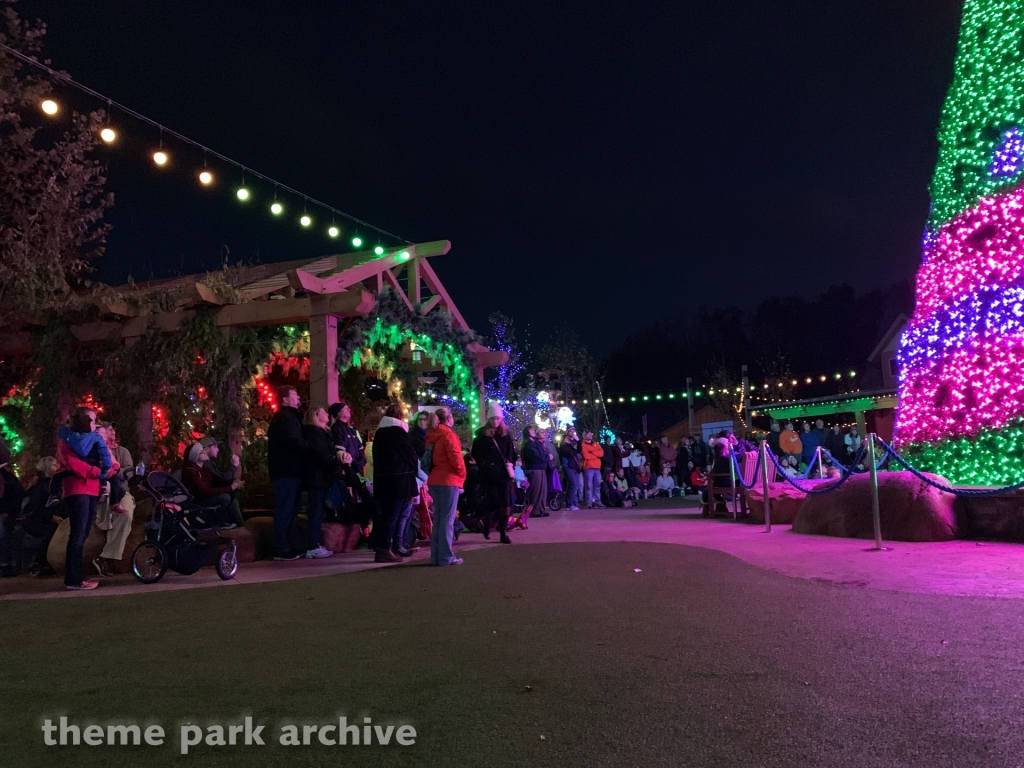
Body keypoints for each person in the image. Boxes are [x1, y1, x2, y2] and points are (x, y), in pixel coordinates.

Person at [57, 407, 114, 590]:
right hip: (77, 489)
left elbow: (108, 461)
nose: (95, 424)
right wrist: (97, 471)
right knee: (78, 534)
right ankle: (74, 579)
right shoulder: (67, 441)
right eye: (92, 420)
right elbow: (73, 464)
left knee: (82, 534)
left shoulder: (93, 440)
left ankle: (77, 576)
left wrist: (106, 470)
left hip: (90, 489)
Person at [373, 402, 421, 561]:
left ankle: (389, 547)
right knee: (393, 515)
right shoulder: (398, 432)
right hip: (399, 480)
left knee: (387, 515)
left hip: (384, 479)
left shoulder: (380, 432)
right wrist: (414, 469)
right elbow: (410, 455)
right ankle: (385, 548)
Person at [90, 423, 140, 577]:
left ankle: (106, 558)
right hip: (99, 491)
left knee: (125, 514)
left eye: (112, 429)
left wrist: (112, 469)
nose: (112, 432)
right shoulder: (91, 450)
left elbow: (128, 473)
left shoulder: (122, 452)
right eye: (108, 430)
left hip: (121, 492)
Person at [267, 386, 308, 561]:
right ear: (284, 399)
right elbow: (294, 441)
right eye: (294, 395)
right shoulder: (284, 418)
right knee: (286, 509)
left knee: (290, 510)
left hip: (290, 471)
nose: (298, 397)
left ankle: (287, 545)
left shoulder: (289, 417)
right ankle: (281, 547)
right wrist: (312, 448)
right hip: (286, 471)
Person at [426, 407, 466, 566]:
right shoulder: (449, 435)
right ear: (449, 418)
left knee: (438, 520)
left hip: (434, 479)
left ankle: (436, 556)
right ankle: (445, 557)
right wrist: (462, 475)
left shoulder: (433, 434)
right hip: (448, 481)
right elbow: (456, 459)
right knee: (447, 521)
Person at [301, 406, 342, 559]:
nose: (326, 414)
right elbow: (320, 454)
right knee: (316, 511)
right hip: (316, 478)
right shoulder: (313, 433)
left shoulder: (324, 432)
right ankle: (312, 545)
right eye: (323, 412)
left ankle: (315, 544)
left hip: (322, 477)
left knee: (318, 511)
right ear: (315, 416)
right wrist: (335, 461)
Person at [471, 403, 516, 544]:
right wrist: (485, 464)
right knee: (493, 502)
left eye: (497, 418)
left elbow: (510, 452)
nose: (495, 421)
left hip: (503, 474)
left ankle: (503, 531)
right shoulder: (481, 434)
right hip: (489, 475)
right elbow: (476, 453)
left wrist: (511, 463)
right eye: (492, 419)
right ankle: (487, 522)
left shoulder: (505, 433)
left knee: (505, 503)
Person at [20, 457, 63, 576]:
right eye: (54, 465)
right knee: (51, 531)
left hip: (54, 518)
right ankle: (39, 562)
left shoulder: (57, 484)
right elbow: (34, 509)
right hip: (39, 521)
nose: (58, 467)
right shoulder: (40, 487)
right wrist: (51, 516)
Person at [182, 442, 240, 529]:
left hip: (205, 498)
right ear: (195, 457)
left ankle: (231, 523)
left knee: (230, 496)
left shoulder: (203, 469)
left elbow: (217, 481)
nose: (205, 452)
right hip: (198, 502)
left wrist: (233, 482)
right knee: (225, 498)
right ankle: (213, 523)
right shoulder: (192, 471)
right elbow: (204, 491)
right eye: (201, 452)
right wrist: (230, 487)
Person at [0, 443, 23, 577]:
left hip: (5, 513)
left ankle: (5, 565)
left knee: (1, 531)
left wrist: (8, 513)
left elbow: (16, 497)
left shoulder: (7, 479)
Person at [520, 425, 547, 529]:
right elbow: (537, 456)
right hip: (534, 468)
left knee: (542, 490)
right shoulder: (528, 445)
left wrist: (544, 456)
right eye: (531, 430)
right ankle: (534, 510)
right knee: (536, 491)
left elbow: (542, 453)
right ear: (527, 433)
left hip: (541, 468)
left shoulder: (535, 443)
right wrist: (546, 457)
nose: (533, 431)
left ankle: (541, 509)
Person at [558, 426, 583, 511]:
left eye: (573, 431)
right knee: (573, 485)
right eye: (571, 431)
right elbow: (570, 453)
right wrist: (571, 444)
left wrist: (578, 441)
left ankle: (573, 503)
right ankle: (569, 504)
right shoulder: (563, 445)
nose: (572, 433)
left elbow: (579, 450)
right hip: (568, 466)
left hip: (574, 466)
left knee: (574, 485)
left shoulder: (573, 444)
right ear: (567, 433)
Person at [580, 430, 604, 509]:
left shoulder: (596, 444)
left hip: (597, 467)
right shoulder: (582, 444)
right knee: (589, 486)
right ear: (584, 435)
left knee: (597, 485)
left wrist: (592, 452)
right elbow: (585, 455)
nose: (590, 435)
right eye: (589, 434)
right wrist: (596, 455)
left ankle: (597, 501)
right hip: (588, 467)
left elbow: (601, 453)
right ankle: (589, 502)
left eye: (591, 434)